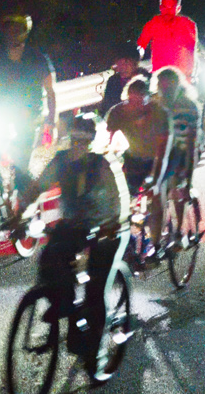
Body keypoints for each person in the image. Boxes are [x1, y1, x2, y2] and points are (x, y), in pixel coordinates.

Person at [21, 113, 128, 344]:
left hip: (104, 228)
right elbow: (35, 188)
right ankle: (64, 306)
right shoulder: (61, 161)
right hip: (74, 226)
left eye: (83, 141)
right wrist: (17, 216)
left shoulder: (101, 165)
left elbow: (117, 201)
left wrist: (107, 228)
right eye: (75, 140)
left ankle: (96, 347)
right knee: (50, 260)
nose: (77, 146)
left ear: (91, 142)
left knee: (95, 290)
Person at [0, 14, 57, 205]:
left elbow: (50, 91)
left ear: (25, 32)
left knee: (20, 167)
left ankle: (25, 201)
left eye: (17, 29)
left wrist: (50, 121)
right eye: (9, 29)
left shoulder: (37, 58)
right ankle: (1, 191)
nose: (12, 33)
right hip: (1, 116)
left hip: (28, 117)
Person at [104, 74, 168, 260]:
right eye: (132, 102)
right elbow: (107, 141)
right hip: (132, 159)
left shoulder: (158, 113)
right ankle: (127, 238)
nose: (137, 108)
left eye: (141, 103)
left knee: (156, 196)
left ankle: (156, 244)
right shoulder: (118, 113)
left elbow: (164, 149)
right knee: (120, 199)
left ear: (148, 100)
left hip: (158, 157)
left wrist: (155, 176)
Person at [153, 66, 203, 254]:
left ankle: (180, 229)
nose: (164, 90)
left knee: (176, 188)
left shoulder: (188, 106)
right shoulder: (156, 104)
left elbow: (190, 142)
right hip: (163, 149)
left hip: (184, 149)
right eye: (162, 86)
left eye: (168, 86)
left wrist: (187, 177)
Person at [137, 0, 199, 78]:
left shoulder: (188, 25)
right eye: (164, 7)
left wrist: (190, 74)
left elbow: (191, 50)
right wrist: (137, 55)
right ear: (160, 7)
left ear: (178, 8)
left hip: (180, 77)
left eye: (171, 8)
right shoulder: (153, 23)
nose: (167, 11)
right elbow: (141, 45)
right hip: (158, 77)